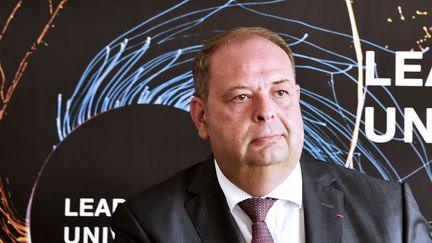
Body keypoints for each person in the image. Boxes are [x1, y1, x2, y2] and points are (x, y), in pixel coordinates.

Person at [111, 27, 432, 243]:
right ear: (201, 117)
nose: (266, 111)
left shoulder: (392, 212)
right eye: (241, 96)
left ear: (297, 100)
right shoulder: (148, 225)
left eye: (279, 93)